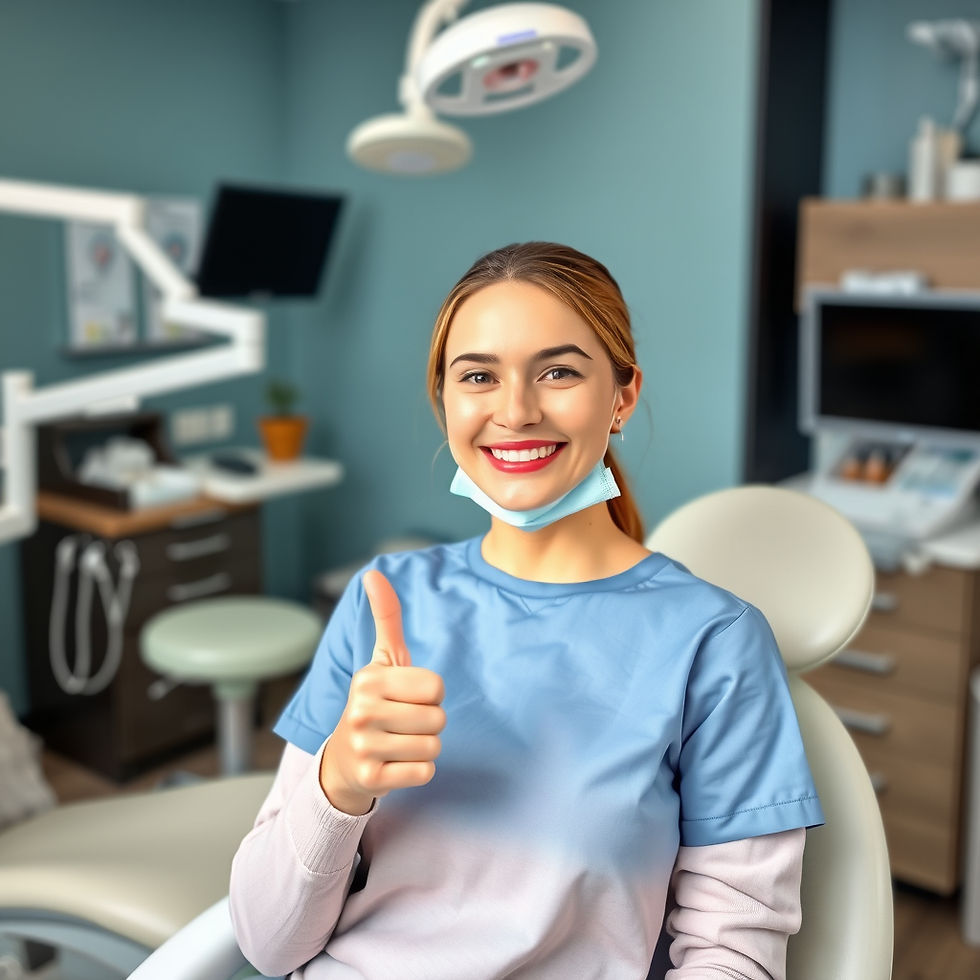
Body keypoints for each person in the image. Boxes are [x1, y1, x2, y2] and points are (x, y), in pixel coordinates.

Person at [229, 242, 824, 979]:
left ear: (622, 397)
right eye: (478, 375)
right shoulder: (385, 599)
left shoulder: (714, 642)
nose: (515, 410)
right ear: (444, 402)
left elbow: (732, 955)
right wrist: (339, 786)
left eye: (559, 371)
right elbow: (265, 941)